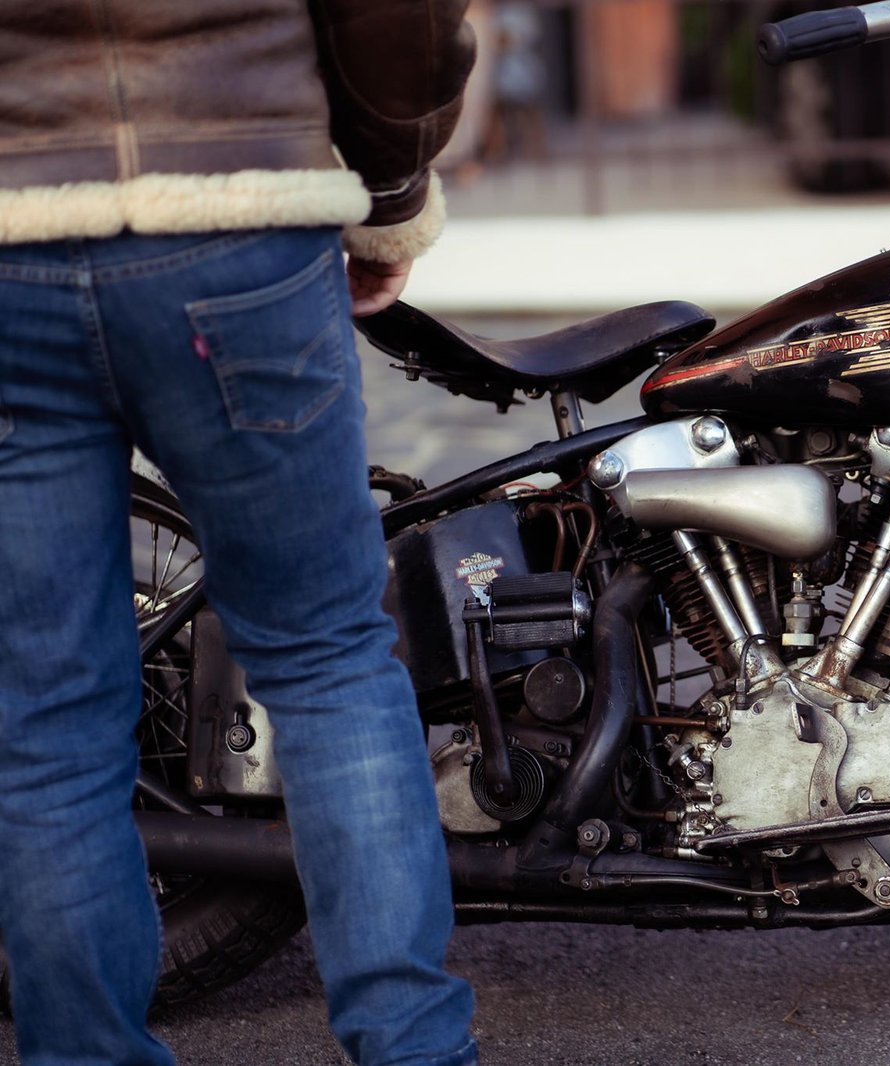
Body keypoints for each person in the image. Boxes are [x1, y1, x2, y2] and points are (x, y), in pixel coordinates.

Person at [0, 3, 478, 1064]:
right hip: (238, 209)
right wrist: (390, 196)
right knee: (327, 661)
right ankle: (412, 1049)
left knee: (46, 714)